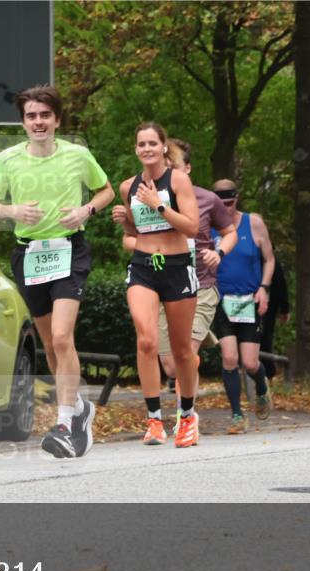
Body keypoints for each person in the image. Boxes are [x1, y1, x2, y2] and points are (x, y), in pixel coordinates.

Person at [0, 85, 115, 458]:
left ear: (57, 119)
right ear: (23, 122)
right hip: (30, 254)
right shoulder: (8, 159)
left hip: (69, 251)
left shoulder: (77, 155)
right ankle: (80, 408)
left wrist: (86, 210)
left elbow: (106, 191)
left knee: (61, 336)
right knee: (51, 345)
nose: (38, 122)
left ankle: (64, 424)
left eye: (45, 115)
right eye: (31, 116)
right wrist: (13, 211)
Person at [111, 123, 201, 448]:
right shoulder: (127, 187)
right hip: (144, 267)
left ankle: (188, 416)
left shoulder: (178, 180)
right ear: (136, 149)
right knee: (146, 340)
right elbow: (136, 233)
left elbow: (192, 228)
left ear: (163, 147)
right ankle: (153, 421)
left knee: (181, 352)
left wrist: (159, 205)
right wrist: (126, 222)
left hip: (176, 267)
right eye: (141, 144)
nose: (147, 148)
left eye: (153, 143)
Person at [142, 139, 237, 429]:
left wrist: (218, 252)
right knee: (171, 365)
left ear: (188, 169)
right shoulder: (147, 197)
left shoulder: (208, 199)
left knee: (187, 353)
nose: (168, 170)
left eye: (174, 165)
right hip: (164, 284)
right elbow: (134, 238)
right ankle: (199, 345)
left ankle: (186, 417)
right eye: (166, 164)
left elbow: (230, 232)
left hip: (201, 285)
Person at [210, 179, 275, 434]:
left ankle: (261, 387)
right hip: (221, 300)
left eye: (231, 202)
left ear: (237, 199)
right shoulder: (208, 226)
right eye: (221, 203)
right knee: (229, 358)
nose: (226, 208)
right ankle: (237, 415)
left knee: (249, 363)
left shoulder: (254, 223)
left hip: (249, 300)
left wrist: (264, 288)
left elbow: (269, 259)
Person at [260, 257, 290, 379]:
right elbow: (280, 286)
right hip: (264, 306)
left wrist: (284, 308)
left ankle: (266, 371)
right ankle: (266, 371)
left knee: (264, 337)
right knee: (265, 337)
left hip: (266, 306)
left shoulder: (272, 263)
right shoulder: (271, 262)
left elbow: (280, 286)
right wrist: (284, 309)